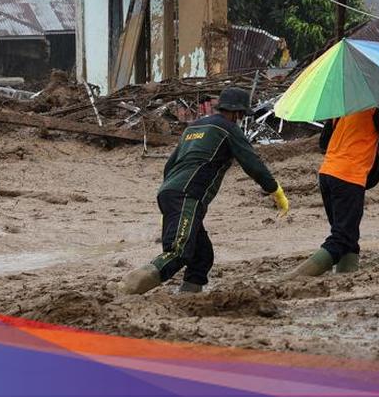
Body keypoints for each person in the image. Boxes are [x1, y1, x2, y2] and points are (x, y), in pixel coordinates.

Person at [120, 88, 289, 295]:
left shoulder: (194, 127)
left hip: (169, 191)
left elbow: (171, 164)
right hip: (187, 196)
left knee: (202, 255)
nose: (242, 119)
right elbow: (252, 163)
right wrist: (276, 191)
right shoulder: (228, 129)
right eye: (243, 115)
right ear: (237, 113)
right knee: (178, 251)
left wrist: (172, 197)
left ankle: (189, 296)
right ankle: (128, 288)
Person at [289, 102, 379, 277]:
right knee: (341, 238)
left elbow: (324, 141)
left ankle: (346, 278)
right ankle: (290, 278)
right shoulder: (377, 106)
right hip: (348, 177)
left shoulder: (342, 105)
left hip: (327, 174)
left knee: (348, 235)